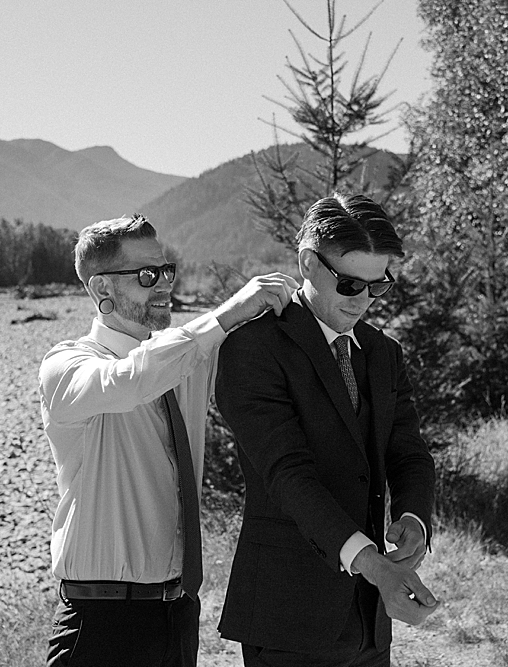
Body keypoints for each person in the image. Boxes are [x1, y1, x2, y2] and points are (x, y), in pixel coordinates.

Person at [39, 213, 298, 667]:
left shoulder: (186, 359)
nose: (163, 285)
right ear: (102, 291)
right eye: (145, 275)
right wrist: (228, 311)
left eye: (165, 270)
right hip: (101, 624)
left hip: (177, 615)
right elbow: (131, 379)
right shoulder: (69, 367)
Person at [214, 193, 440, 667]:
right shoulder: (253, 349)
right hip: (286, 617)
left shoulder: (383, 353)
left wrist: (416, 519)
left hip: (368, 624)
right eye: (351, 285)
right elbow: (287, 476)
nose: (364, 302)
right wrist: (377, 568)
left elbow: (409, 454)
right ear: (308, 264)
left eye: (379, 287)